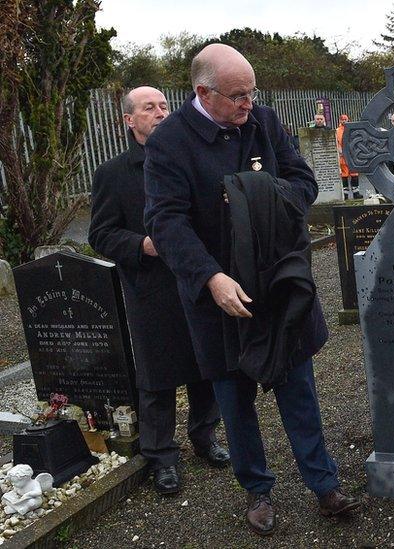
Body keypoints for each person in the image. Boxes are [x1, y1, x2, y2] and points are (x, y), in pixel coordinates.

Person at [143, 44, 362, 536]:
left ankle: (323, 483)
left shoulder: (263, 120)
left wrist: (252, 193)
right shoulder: (169, 142)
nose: (248, 104)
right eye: (237, 96)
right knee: (235, 400)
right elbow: (165, 220)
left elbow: (303, 183)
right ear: (204, 92)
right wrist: (209, 277)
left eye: (251, 93)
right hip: (220, 294)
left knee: (298, 388)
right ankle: (257, 490)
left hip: (278, 282)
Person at [88, 86, 229, 496]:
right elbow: (101, 233)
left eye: (165, 105)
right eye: (149, 108)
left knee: (207, 364)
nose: (161, 113)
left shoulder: (191, 158)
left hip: (198, 279)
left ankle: (205, 437)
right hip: (152, 289)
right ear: (129, 120)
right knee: (158, 376)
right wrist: (142, 245)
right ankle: (161, 455)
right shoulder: (113, 174)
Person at [336, 114, 360, 199]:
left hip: (352, 155)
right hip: (343, 156)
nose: (344, 121)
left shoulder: (352, 130)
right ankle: (345, 194)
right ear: (340, 120)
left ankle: (356, 193)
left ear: (348, 120)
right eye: (342, 119)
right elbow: (337, 143)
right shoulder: (337, 131)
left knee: (354, 173)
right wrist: (340, 151)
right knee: (344, 174)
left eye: (345, 119)